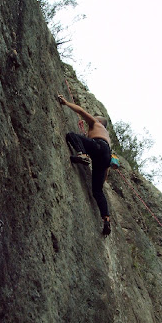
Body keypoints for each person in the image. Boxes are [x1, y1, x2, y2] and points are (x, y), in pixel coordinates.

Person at [58, 94, 111, 236]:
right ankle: (106, 219)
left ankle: (82, 154)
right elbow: (106, 168)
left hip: (98, 147)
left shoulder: (96, 124)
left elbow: (81, 111)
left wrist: (66, 103)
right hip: (105, 156)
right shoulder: (105, 135)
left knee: (71, 135)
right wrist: (103, 179)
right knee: (97, 191)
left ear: (99, 121)